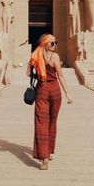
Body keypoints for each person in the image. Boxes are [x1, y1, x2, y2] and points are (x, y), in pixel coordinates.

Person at [27, 33, 73, 170]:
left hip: (42, 88)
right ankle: (47, 154)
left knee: (42, 122)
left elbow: (29, 73)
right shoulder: (55, 57)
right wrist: (67, 94)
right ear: (45, 44)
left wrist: (38, 66)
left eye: (56, 43)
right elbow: (61, 76)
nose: (55, 46)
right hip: (54, 89)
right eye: (52, 43)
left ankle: (45, 155)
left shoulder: (35, 55)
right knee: (51, 122)